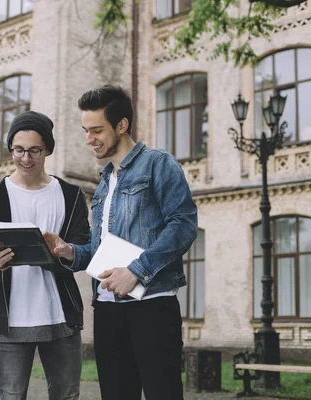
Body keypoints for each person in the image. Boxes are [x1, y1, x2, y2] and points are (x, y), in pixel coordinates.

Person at [43, 85, 198, 400]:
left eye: (97, 130)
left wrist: (137, 270)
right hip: (107, 310)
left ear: (122, 125)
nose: (89, 139)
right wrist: (68, 250)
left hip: (153, 306)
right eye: (86, 131)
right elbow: (101, 253)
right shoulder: (103, 183)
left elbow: (184, 225)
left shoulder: (158, 164)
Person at [0, 111, 90, 400]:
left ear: (47, 149)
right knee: (10, 397)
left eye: (34, 150)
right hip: (12, 318)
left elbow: (83, 249)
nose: (25, 158)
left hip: (62, 316)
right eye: (18, 150)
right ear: (11, 149)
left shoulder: (71, 195)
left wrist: (65, 251)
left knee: (67, 395)